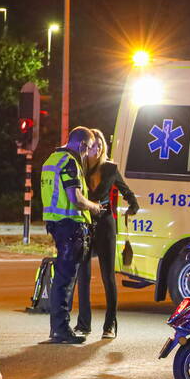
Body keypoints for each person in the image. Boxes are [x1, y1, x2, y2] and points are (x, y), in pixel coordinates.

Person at [40, 126, 103, 344]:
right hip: (70, 227)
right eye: (87, 150)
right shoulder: (69, 162)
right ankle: (61, 330)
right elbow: (75, 197)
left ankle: (58, 328)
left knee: (62, 277)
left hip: (58, 225)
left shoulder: (50, 160)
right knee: (65, 280)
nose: (86, 155)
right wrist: (94, 207)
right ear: (82, 145)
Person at [74, 128, 139, 339]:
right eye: (95, 144)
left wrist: (133, 206)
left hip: (105, 226)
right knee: (82, 276)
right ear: (87, 147)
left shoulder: (110, 169)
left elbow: (127, 192)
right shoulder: (79, 168)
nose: (98, 147)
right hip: (84, 225)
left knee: (107, 277)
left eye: (101, 144)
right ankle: (83, 324)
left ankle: (109, 324)